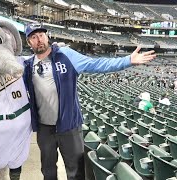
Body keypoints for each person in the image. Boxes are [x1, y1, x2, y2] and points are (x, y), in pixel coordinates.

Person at [22, 23, 156, 180]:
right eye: (33, 37)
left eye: (41, 35)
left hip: (69, 127)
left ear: (47, 36)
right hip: (45, 130)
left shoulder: (66, 55)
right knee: (48, 171)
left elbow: (96, 64)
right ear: (29, 42)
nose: (39, 40)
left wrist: (127, 60)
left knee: (76, 172)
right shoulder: (28, 65)